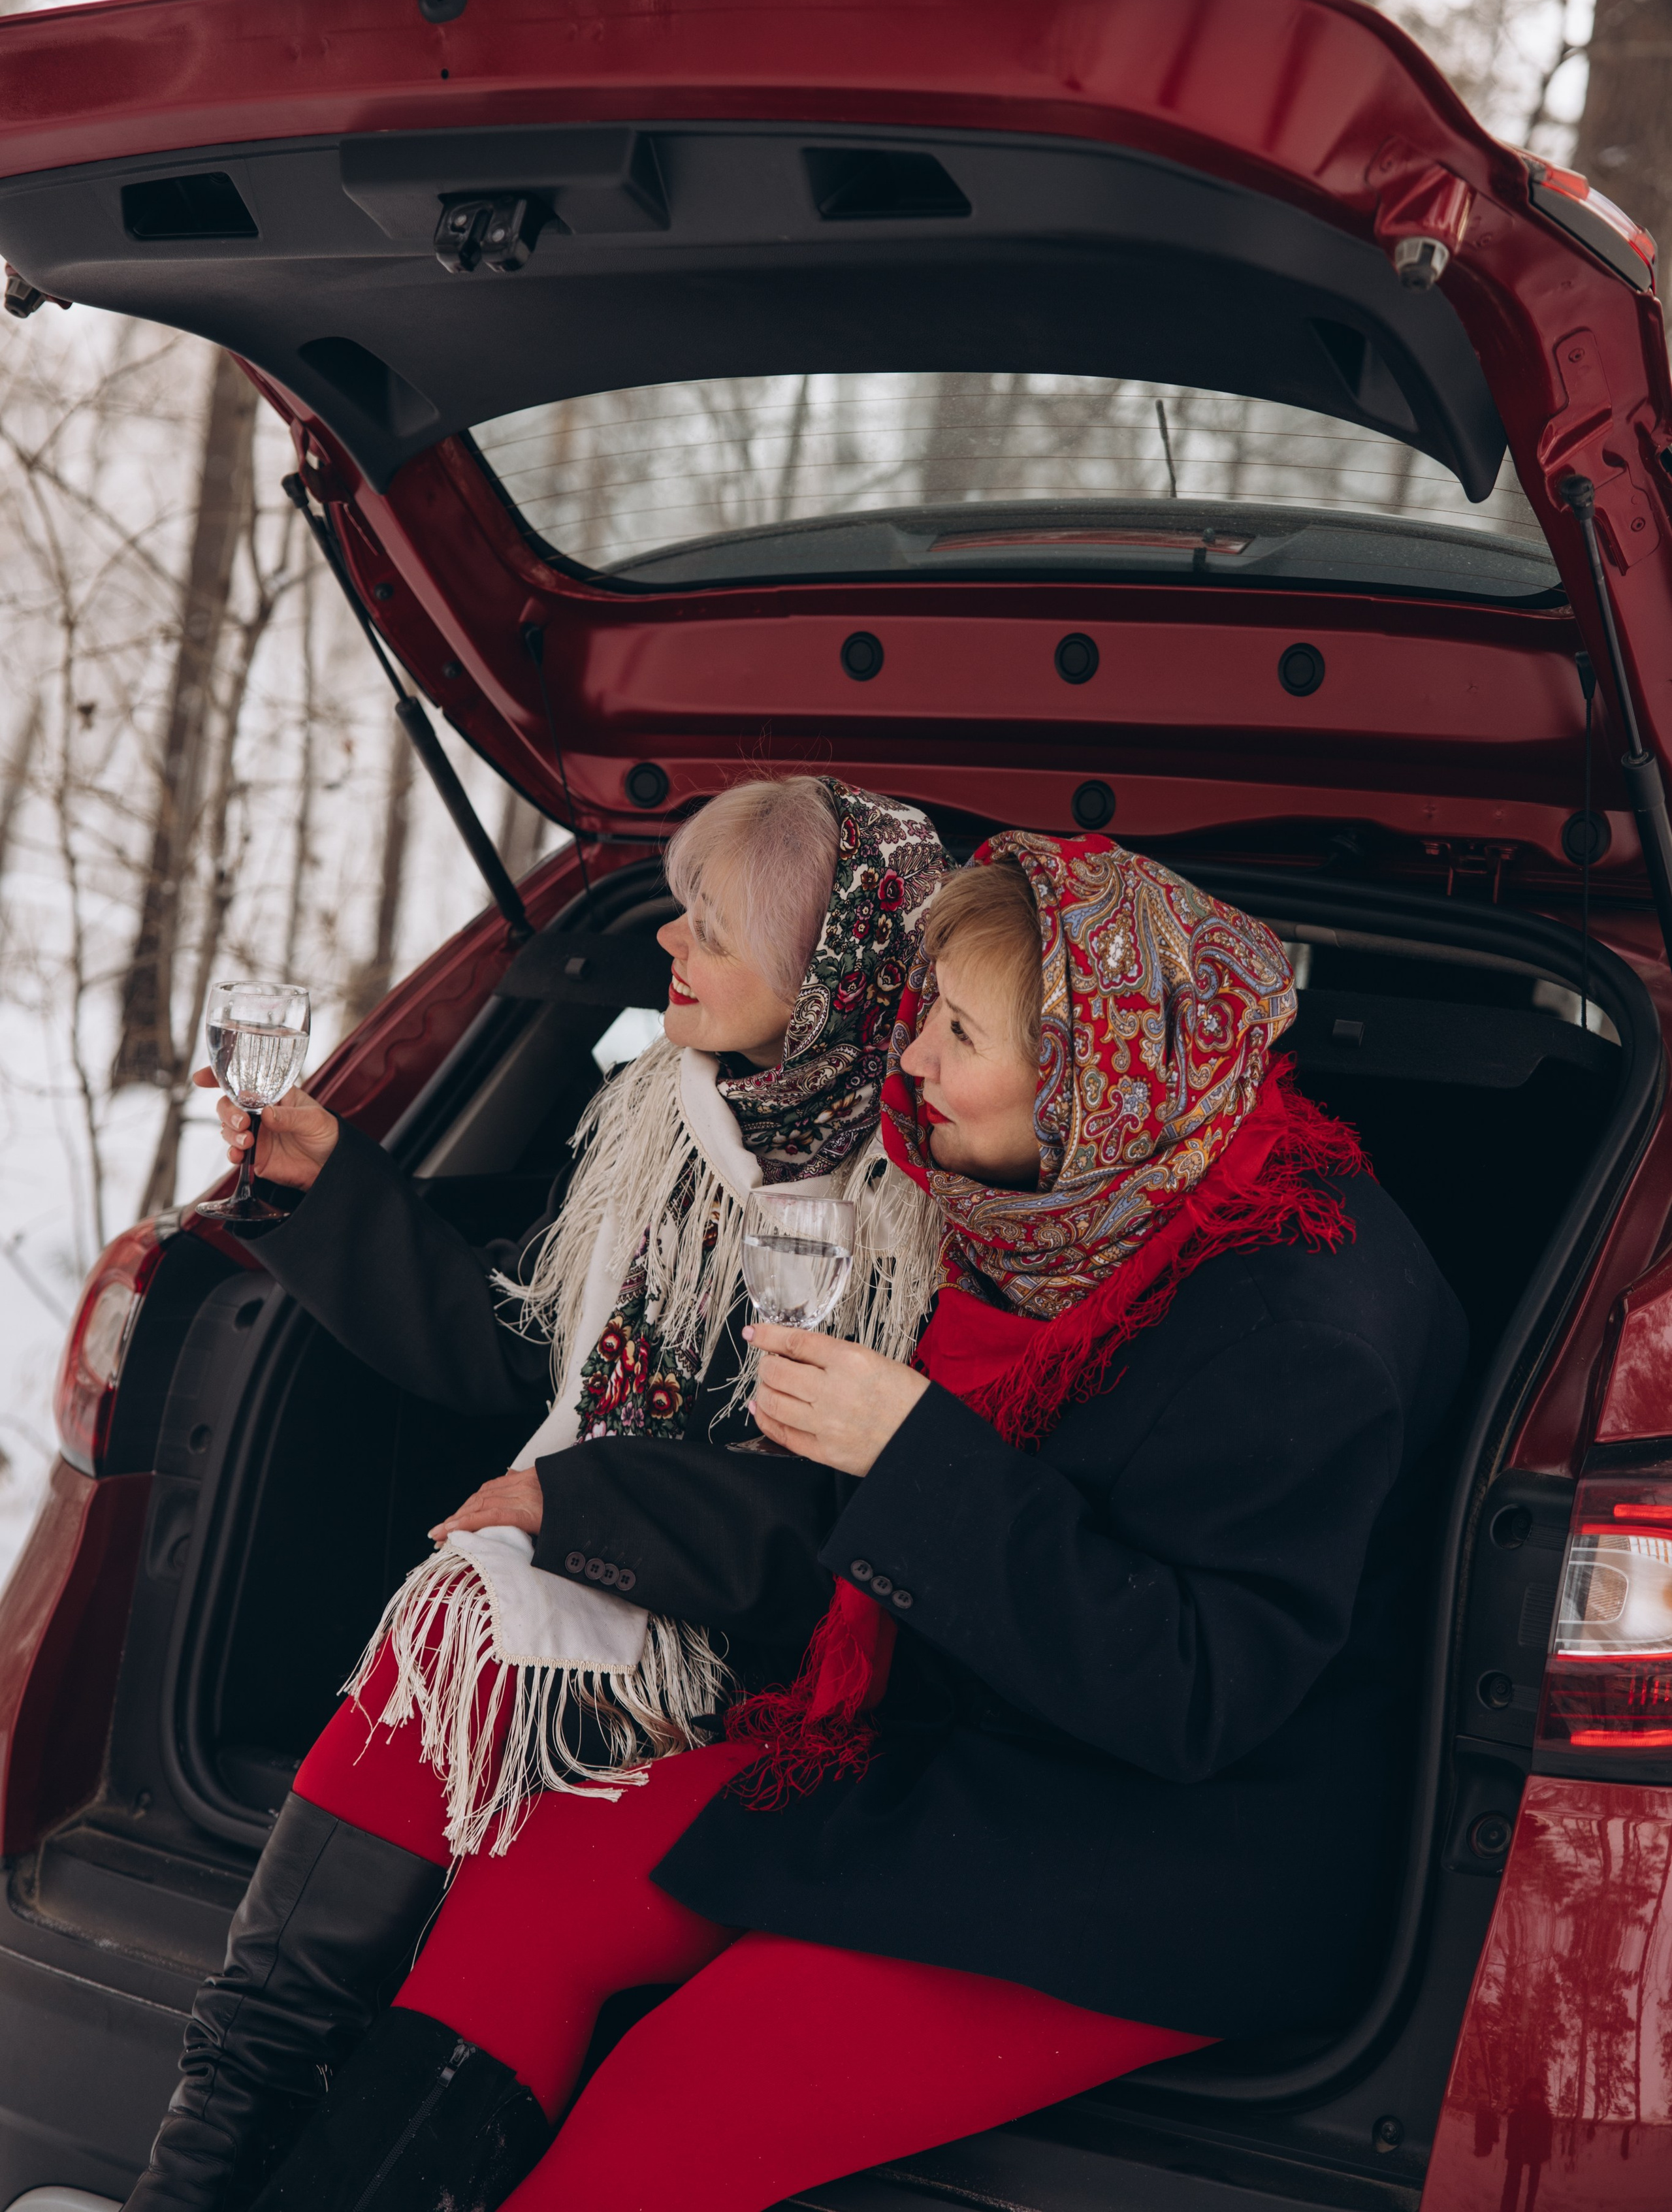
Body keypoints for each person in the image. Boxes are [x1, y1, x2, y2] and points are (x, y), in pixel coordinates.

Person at [236, 830, 1468, 2212]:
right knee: (540, 1871)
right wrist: (593, 1504)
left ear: (1093, 1065)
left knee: (678, 2095)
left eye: (956, 1031)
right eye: (922, 1016)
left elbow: (1193, 1694)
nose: (914, 1063)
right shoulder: (1055, 1208)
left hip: (1166, 1867)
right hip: (972, 1760)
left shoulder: (1308, 1318)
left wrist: (913, 1458)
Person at [127, 775, 947, 2212]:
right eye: (679, 911)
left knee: (470, 1611)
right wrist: (328, 1189)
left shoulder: (924, 1220)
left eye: (711, 926)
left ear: (833, 969)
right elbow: (529, 1354)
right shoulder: (657, 1121)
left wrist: (576, 1516)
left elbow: (855, 1543)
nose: (668, 949)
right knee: (466, 1616)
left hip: (767, 1667)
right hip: (584, 1598)